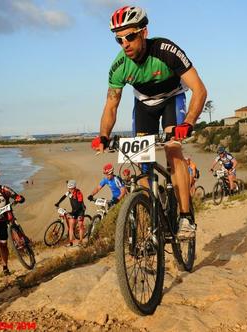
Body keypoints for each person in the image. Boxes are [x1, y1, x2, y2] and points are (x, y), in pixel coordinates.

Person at [91, 6, 207, 239]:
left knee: (173, 149)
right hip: (144, 105)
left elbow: (199, 90)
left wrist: (189, 123)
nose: (125, 44)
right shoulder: (119, 66)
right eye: (119, 39)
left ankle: (185, 217)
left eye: (130, 36)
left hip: (172, 98)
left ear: (144, 32)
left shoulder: (166, 50)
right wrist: (103, 135)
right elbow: (111, 104)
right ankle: (152, 217)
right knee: (142, 163)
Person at [55, 180, 86, 247]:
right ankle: (71, 242)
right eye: (69, 189)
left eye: (71, 189)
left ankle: (81, 241)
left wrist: (73, 213)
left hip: (80, 211)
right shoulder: (69, 192)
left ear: (74, 188)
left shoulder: (79, 193)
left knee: (80, 226)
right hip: (74, 211)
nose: (70, 190)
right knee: (71, 227)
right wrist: (58, 203)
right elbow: (63, 197)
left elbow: (80, 204)